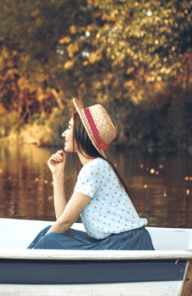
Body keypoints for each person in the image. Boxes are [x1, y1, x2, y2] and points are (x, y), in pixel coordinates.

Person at [27, 99, 154, 250]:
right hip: (119, 241)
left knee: (48, 240)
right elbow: (62, 221)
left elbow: (65, 223)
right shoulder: (95, 166)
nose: (63, 133)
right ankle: (23, 267)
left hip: (127, 244)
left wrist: (39, 249)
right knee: (47, 233)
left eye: (69, 128)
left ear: (82, 133)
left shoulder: (94, 168)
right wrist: (58, 174)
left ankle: (21, 268)